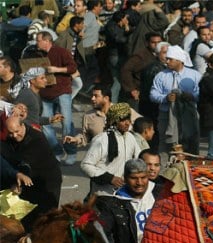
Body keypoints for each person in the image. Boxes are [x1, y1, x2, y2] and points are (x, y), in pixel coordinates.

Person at [2, 116, 62, 230]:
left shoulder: (37, 139)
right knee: (27, 220)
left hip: (47, 183)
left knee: (45, 219)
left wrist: (16, 183)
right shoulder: (11, 139)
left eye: (17, 131)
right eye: (10, 133)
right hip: (30, 183)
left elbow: (26, 166)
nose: (14, 136)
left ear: (22, 125)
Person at [29, 31, 78, 165]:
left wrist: (57, 69)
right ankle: (57, 151)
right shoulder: (36, 54)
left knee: (66, 123)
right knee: (45, 125)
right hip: (44, 94)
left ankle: (71, 151)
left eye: (38, 40)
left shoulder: (61, 51)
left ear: (47, 40)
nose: (36, 43)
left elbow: (72, 68)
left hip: (62, 91)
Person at [150, 45, 201, 156]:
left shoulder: (194, 75)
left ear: (179, 60)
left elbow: (201, 94)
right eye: (167, 58)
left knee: (191, 143)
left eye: (170, 59)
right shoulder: (161, 76)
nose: (167, 61)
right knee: (165, 145)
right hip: (166, 115)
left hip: (189, 115)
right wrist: (165, 98)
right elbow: (153, 94)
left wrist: (191, 96)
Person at [80, 103, 142, 195]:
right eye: (123, 120)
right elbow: (86, 165)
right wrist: (110, 178)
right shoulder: (102, 140)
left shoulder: (130, 137)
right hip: (102, 192)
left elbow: (139, 159)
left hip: (123, 191)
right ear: (114, 121)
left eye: (128, 119)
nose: (127, 123)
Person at [120, 32, 163, 110]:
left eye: (159, 42)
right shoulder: (140, 56)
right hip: (140, 92)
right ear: (147, 43)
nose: (157, 45)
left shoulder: (163, 54)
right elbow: (125, 69)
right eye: (153, 42)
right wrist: (131, 89)